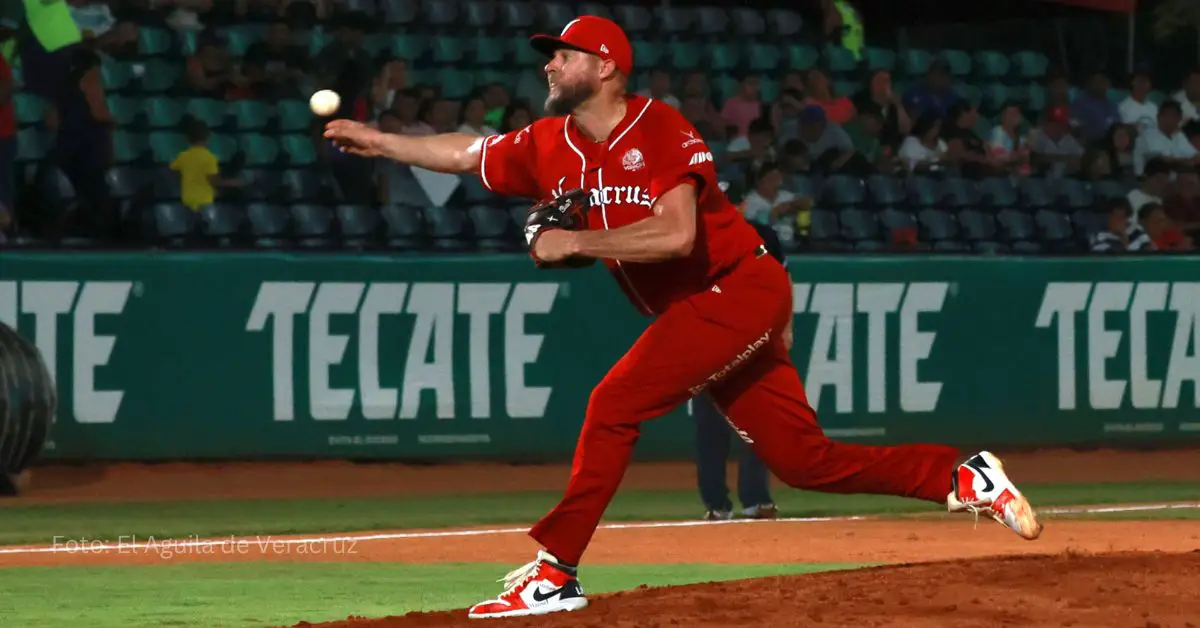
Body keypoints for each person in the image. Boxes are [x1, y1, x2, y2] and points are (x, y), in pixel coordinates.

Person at [323, 15, 1043, 620]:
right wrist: (381, 141)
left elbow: (677, 235)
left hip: (740, 287)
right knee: (804, 462)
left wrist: (574, 240)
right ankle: (961, 477)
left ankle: (556, 572)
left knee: (613, 404)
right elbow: (469, 152)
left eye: (563, 53)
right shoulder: (549, 145)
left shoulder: (658, 127)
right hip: (709, 307)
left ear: (605, 65)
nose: (550, 64)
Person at [691, 208, 787, 522]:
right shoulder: (691, 237)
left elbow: (784, 279)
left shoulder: (764, 235)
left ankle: (756, 499)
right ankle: (716, 504)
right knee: (710, 429)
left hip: (754, 340)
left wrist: (785, 328)